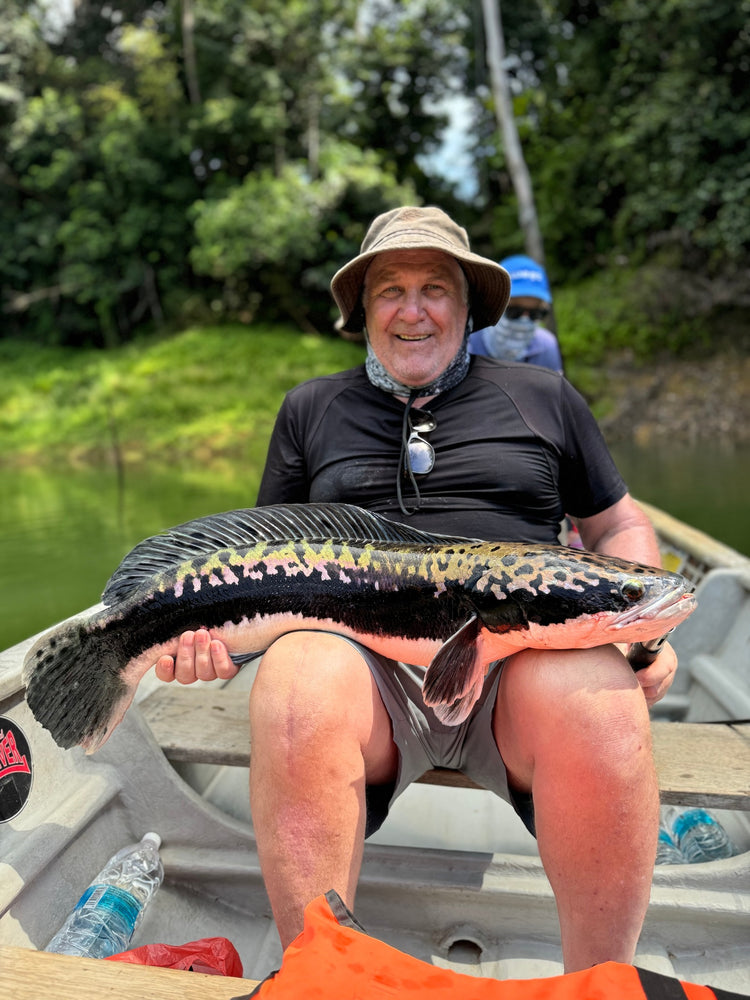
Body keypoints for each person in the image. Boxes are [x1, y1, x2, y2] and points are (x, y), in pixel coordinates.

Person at [155, 206, 678, 974]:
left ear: (469, 308)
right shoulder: (310, 409)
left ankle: (599, 982)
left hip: (520, 658)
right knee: (297, 681)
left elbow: (615, 527)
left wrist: (641, 633)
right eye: (389, 290)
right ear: (360, 312)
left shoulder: (544, 395)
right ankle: (320, 973)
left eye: (435, 288)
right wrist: (212, 647)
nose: (413, 309)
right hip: (366, 670)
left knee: (600, 695)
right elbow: (257, 559)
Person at [469, 254, 564, 373]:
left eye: (535, 313)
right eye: (514, 311)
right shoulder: (466, 342)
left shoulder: (546, 347)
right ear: (492, 304)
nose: (524, 320)